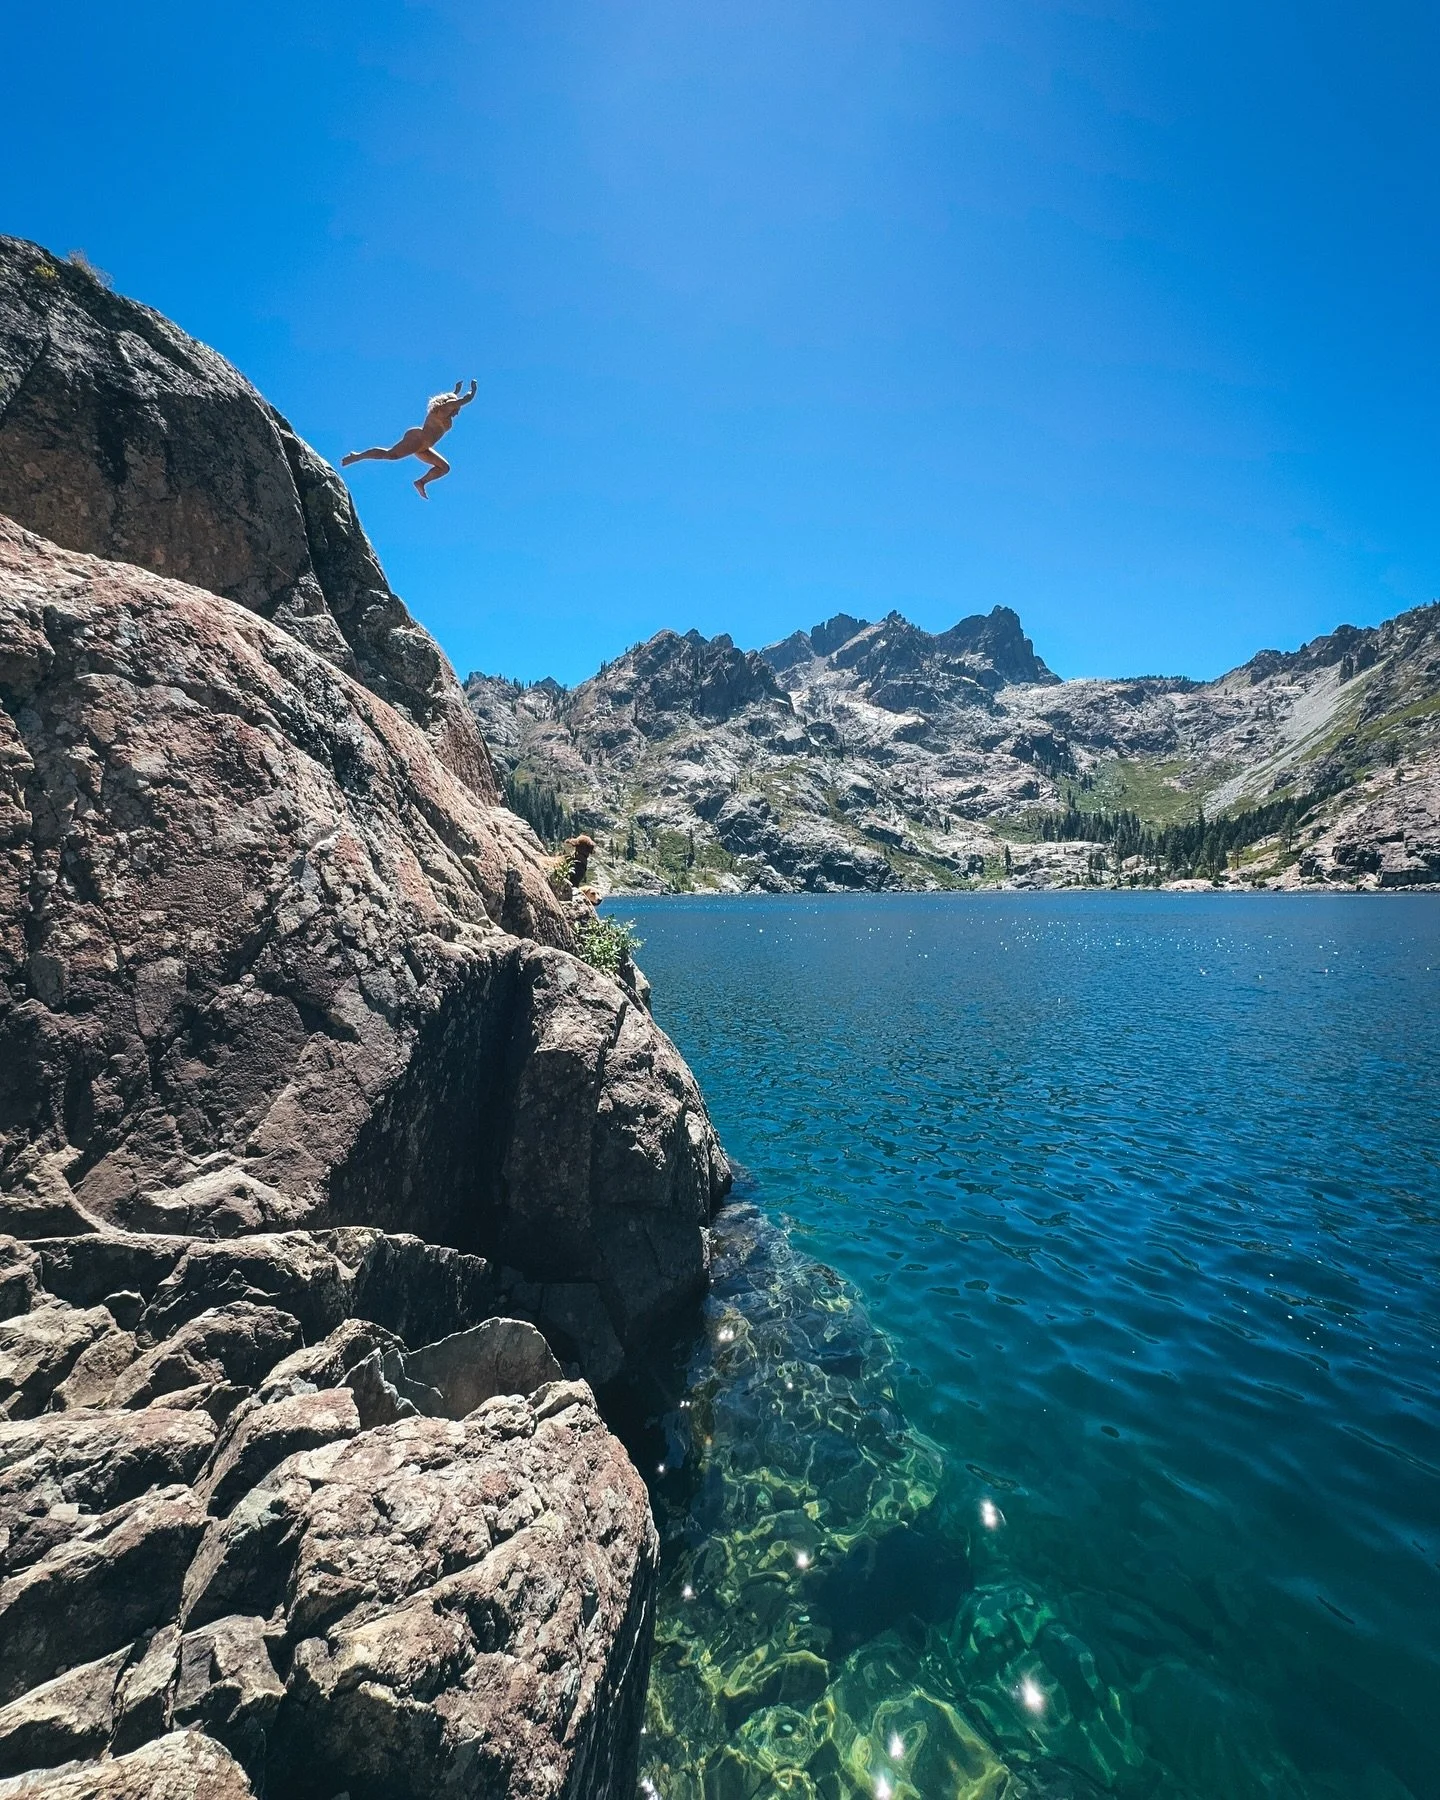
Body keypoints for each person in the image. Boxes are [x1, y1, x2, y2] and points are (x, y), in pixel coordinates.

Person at [342, 380, 477, 498]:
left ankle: (421, 482)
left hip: (424, 447)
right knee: (391, 455)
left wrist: (456, 390)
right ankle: (358, 456)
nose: (458, 411)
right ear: (452, 405)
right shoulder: (443, 410)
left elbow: (454, 400)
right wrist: (473, 389)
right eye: (457, 408)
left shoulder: (447, 411)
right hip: (418, 438)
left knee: (444, 468)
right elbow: (465, 399)